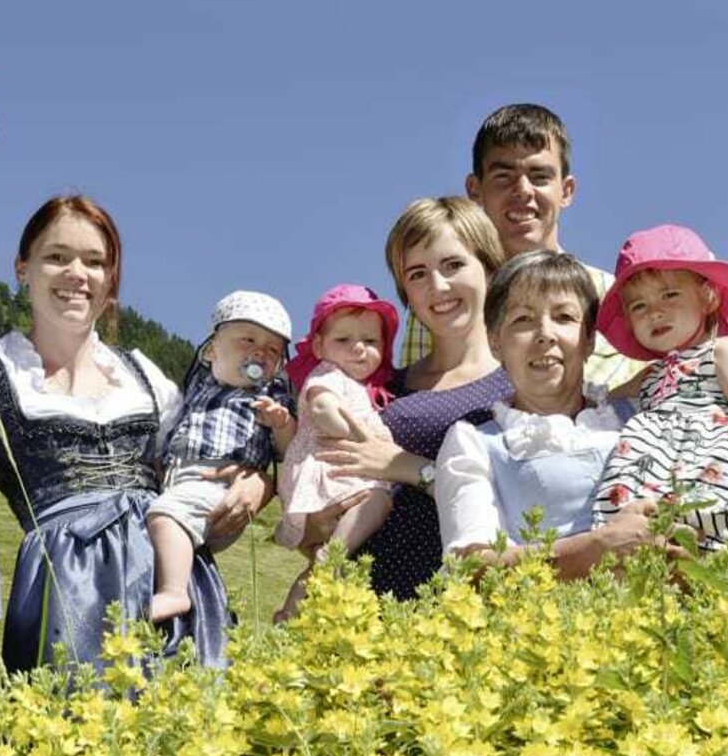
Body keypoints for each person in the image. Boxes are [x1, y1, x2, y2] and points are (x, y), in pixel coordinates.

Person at [0, 198, 267, 670]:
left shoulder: (143, 376)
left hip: (170, 578)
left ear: (110, 280)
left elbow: (211, 453)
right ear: (22, 268)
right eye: (57, 257)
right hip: (68, 588)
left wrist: (259, 481)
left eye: (95, 262)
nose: (77, 273)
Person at [313, 197, 512, 599]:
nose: (438, 286)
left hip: (455, 610)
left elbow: (516, 501)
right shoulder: (381, 387)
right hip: (354, 608)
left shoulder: (515, 388)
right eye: (418, 274)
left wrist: (409, 468)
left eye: (453, 265)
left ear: (490, 268)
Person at [435, 250, 658, 575]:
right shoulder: (473, 443)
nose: (545, 334)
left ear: (589, 340)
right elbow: (471, 568)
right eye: (523, 320)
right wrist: (595, 549)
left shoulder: (641, 413)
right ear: (496, 343)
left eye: (564, 317)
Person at [400, 103, 639, 389]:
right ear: (474, 189)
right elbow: (421, 404)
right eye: (504, 176)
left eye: (540, 177)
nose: (523, 190)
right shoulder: (443, 298)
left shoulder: (617, 297)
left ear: (567, 190)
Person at [593, 224, 728, 549]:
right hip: (642, 491)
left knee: (699, 561)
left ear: (708, 296)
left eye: (669, 295)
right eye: (638, 306)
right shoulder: (649, 377)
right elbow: (598, 406)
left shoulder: (723, 352)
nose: (654, 312)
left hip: (702, 482)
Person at [146, 291, 294, 622]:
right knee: (156, 520)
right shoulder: (196, 388)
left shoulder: (268, 398)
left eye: (273, 350)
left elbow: (286, 449)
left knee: (165, 515)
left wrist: (281, 422)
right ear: (211, 350)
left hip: (221, 489)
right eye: (248, 340)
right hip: (180, 480)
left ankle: (173, 593)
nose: (260, 352)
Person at [273, 284, 399, 621]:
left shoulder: (361, 388)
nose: (359, 348)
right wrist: (346, 428)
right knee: (378, 500)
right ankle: (336, 553)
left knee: (319, 572)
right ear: (319, 346)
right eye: (344, 340)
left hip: (337, 473)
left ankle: (290, 612)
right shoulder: (328, 374)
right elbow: (322, 404)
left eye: (371, 342)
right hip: (329, 471)